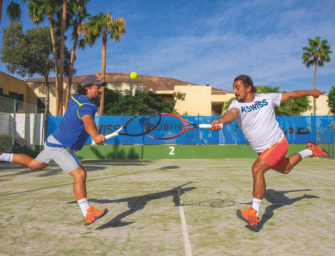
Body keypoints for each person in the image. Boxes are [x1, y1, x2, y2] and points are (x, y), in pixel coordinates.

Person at [210, 74, 328, 227]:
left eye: (237, 87)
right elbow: (231, 115)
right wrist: (220, 121)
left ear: (248, 88)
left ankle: (254, 212)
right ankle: (311, 150)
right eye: (233, 88)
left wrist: (311, 92)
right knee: (286, 168)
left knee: (257, 169)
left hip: (277, 143)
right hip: (264, 151)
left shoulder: (267, 98)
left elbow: (291, 95)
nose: (235, 91)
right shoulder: (236, 105)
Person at [0, 75, 108, 226]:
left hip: (52, 141)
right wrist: (95, 135)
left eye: (100, 88)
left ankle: (1, 155)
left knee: (35, 165)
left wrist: (77, 143)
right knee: (80, 174)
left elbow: (78, 123)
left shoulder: (75, 97)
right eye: (97, 88)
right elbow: (87, 121)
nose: (100, 91)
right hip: (58, 146)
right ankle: (87, 213)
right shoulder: (88, 106)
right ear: (87, 88)